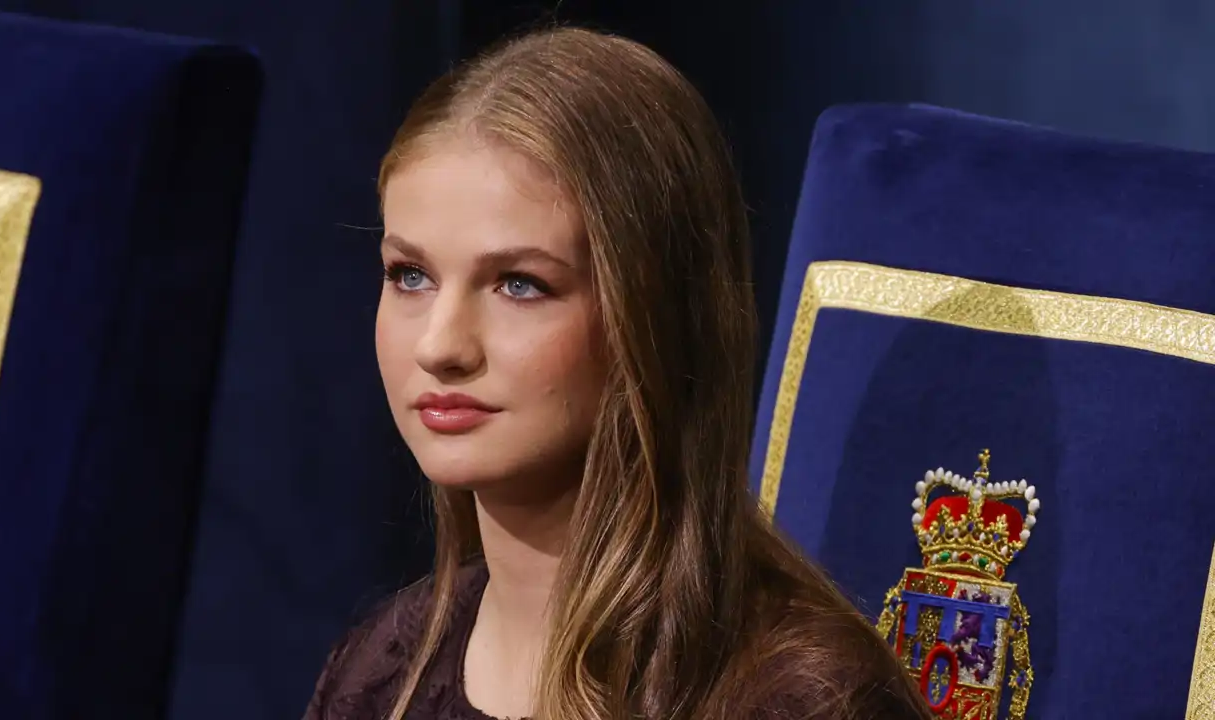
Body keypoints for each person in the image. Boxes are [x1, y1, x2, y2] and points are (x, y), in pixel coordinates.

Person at [305, 26, 932, 720]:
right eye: (411, 275)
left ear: (656, 315)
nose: (441, 345)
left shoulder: (799, 701)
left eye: (519, 284)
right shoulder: (381, 671)